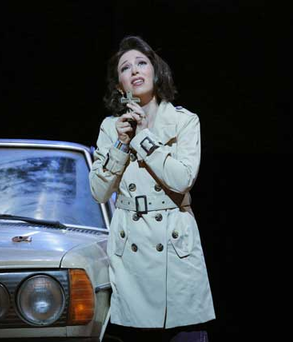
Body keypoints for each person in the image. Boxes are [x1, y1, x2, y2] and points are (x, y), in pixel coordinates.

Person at [89, 36, 215, 341]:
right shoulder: (111, 127)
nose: (134, 70)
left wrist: (144, 138)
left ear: (156, 73)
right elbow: (98, 192)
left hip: (174, 246)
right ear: (120, 86)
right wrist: (121, 143)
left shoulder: (185, 122)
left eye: (141, 63)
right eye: (125, 67)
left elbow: (182, 179)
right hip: (130, 251)